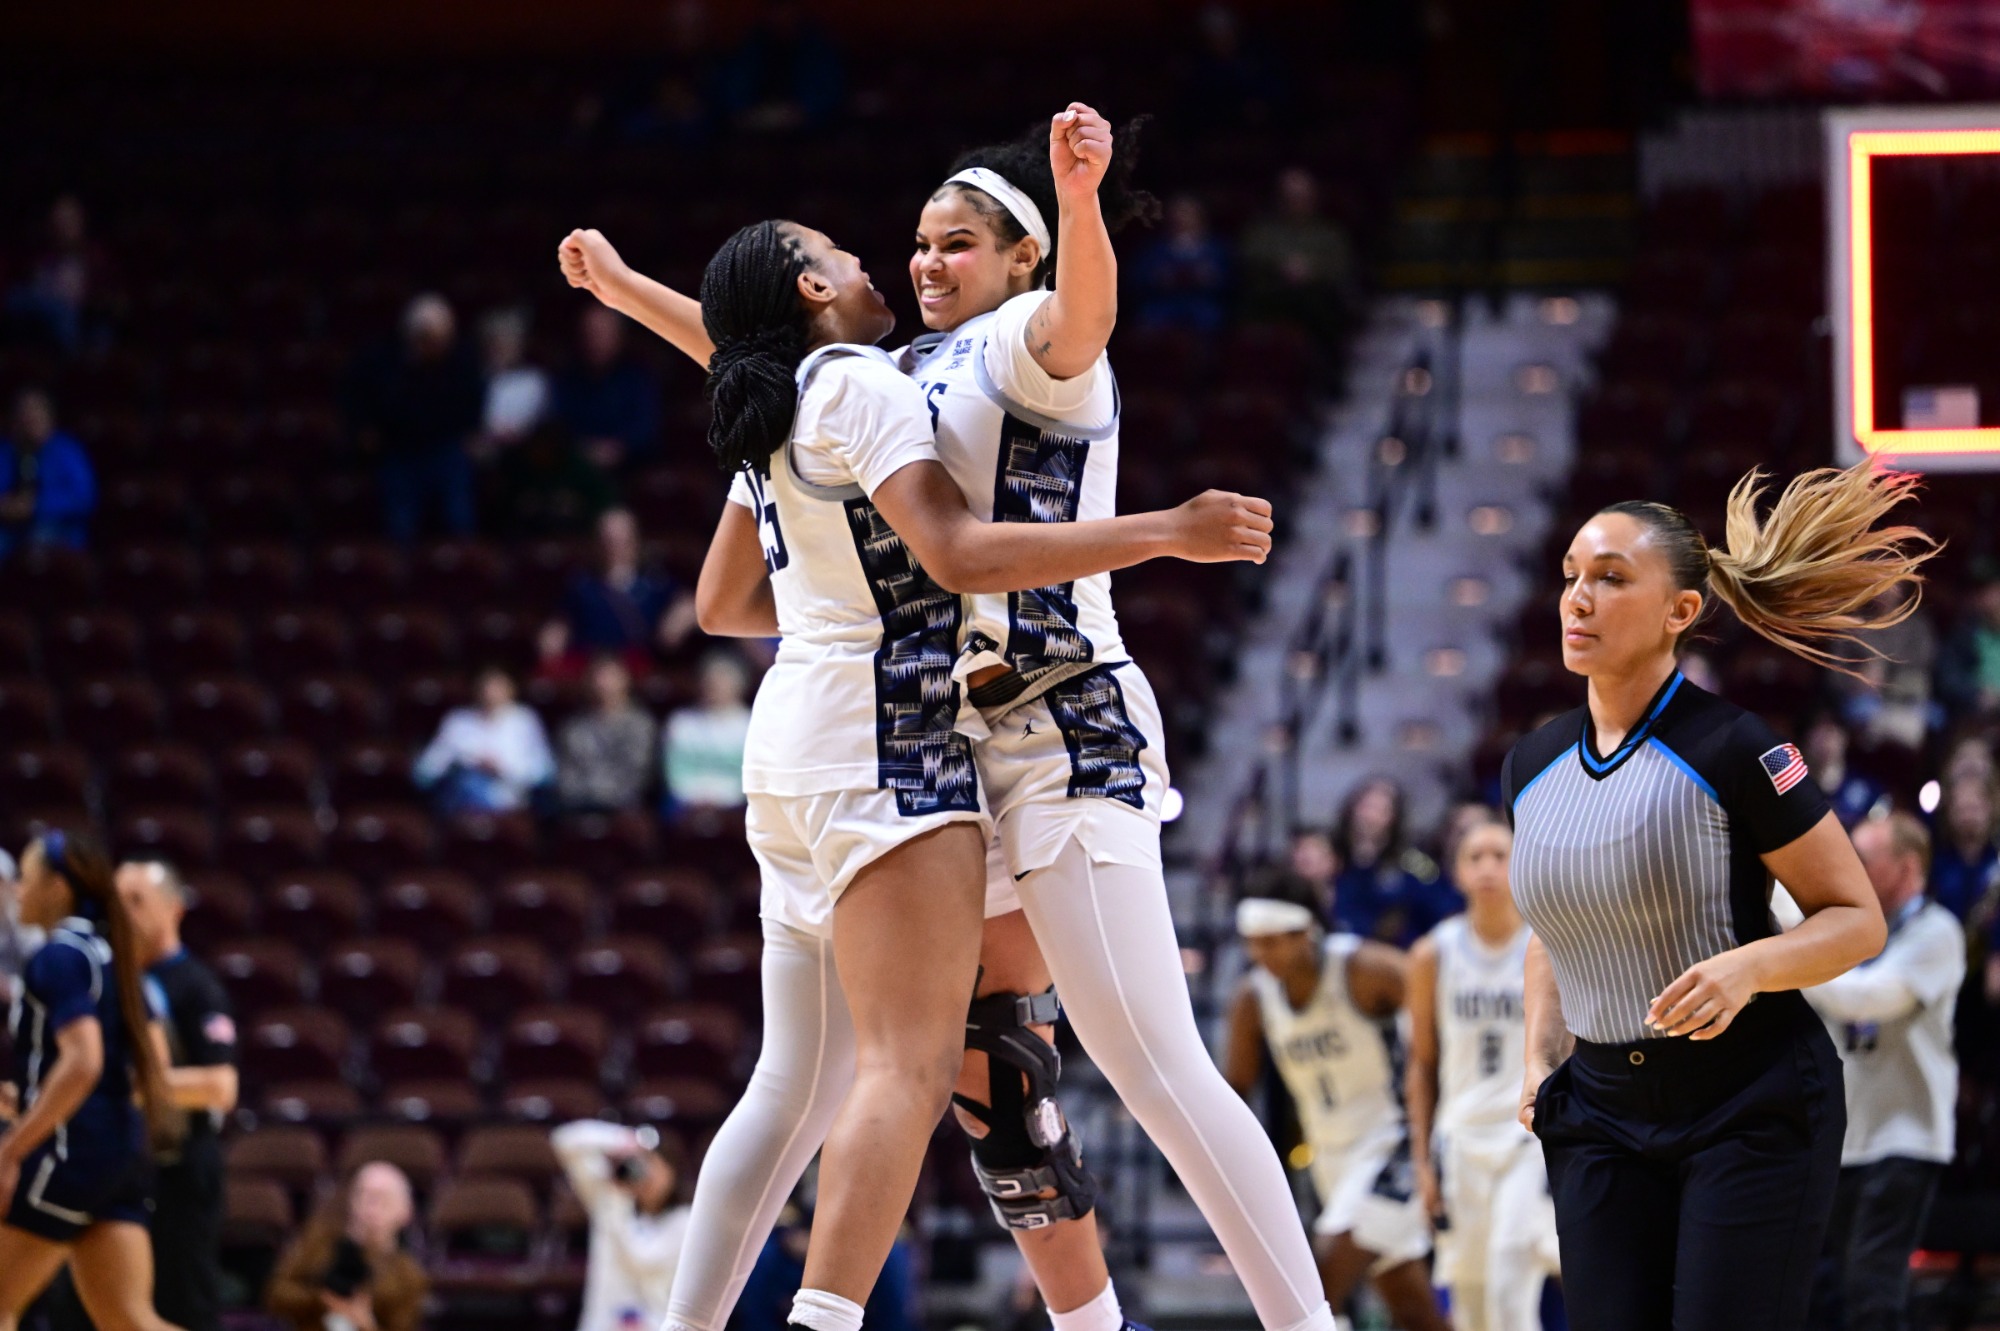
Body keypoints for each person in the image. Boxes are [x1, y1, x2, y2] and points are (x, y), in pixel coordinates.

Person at [561, 103, 1331, 1331]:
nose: (923, 261)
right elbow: (754, 348)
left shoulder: (1027, 337)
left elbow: (1085, 316)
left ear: (1017, 257)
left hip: (1061, 720)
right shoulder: (886, 366)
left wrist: (1080, 202)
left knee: (1145, 1059)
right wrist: (633, 293)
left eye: (956, 242)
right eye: (914, 241)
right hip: (948, 744)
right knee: (994, 1080)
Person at [1508, 463, 1936, 1331]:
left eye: (1611, 578)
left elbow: (1857, 919)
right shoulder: (1530, 762)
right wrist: (1536, 1058)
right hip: (1597, 1110)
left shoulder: (1737, 746)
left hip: (1748, 1104)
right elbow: (1553, 926)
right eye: (1571, 577)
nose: (1578, 599)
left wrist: (1748, 969)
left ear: (1682, 611)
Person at [1223, 871, 1450, 1331]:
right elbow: (1234, 1090)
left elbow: (1444, 1013)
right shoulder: (1254, 997)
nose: (1260, 954)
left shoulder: (1366, 968)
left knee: (1316, 1283)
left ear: (1305, 932)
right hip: (1332, 1162)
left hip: (1396, 1145)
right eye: (1252, 942)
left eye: (1272, 942)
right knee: (1412, 1311)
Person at [0, 832, 179, 1331]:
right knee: (129, 1320)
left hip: (68, 1153)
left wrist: (12, 1149)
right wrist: (28, 1095)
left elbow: (84, 1063)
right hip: (119, 1152)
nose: (17, 891)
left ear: (57, 888)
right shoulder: (108, 952)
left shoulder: (58, 956)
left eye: (28, 879)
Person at [1804, 813, 1964, 1331]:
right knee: (1829, 1294)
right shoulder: (1846, 931)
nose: (1848, 869)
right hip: (1846, 1140)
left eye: (1864, 860)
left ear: (1907, 867)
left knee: (1871, 1291)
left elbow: (1866, 1000)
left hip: (1907, 1137)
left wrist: (1787, 954)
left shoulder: (1937, 932)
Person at [1406, 817, 1560, 1331]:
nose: (1489, 867)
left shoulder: (1548, 946)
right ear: (1457, 873)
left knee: (1509, 1288)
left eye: (1500, 855)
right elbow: (1421, 1064)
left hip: (1526, 1139)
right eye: (1476, 857)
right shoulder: (1433, 953)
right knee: (1469, 1304)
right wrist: (1422, 1162)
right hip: (1459, 1138)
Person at [118, 861, 238, 1331]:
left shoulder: (196, 987)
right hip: (116, 1164)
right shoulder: (107, 983)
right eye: (117, 902)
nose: (124, 914)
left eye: (137, 901)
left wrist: (128, 1086)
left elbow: (221, 1087)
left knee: (182, 1302)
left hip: (179, 1168)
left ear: (174, 908)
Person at [343, 292, 484, 541]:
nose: (439, 348)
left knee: (459, 521)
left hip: (446, 449)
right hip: (399, 450)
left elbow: (470, 405)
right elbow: (360, 400)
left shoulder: (460, 361)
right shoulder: (382, 361)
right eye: (432, 341)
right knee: (400, 529)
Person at [552, 1120, 694, 1331]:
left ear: (673, 1168)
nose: (647, 1174)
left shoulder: (684, 1220)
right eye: (641, 1164)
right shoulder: (611, 1199)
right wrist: (625, 1140)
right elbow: (565, 1139)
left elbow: (640, 1260)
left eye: (654, 1164)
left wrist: (618, 1201)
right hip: (601, 1323)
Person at [265, 1163, 426, 1331]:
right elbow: (276, 1294)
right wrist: (322, 1299)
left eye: (383, 1199)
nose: (370, 1208)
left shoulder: (409, 1276)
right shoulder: (319, 1242)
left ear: (406, 1212)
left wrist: (365, 1324)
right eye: (364, 1196)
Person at [540, 508, 699, 677]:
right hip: (592, 671)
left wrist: (684, 614)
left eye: (621, 541)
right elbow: (560, 624)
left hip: (643, 669)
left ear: (635, 541)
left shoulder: (656, 582)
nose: (614, 548)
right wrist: (552, 639)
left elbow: (692, 605)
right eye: (608, 541)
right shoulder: (581, 584)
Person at [1331, 778, 1458, 948]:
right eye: (1366, 806)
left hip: (1401, 956)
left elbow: (1442, 908)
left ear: (1394, 817)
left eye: (1381, 810)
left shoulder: (1414, 861)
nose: (1370, 816)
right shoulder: (1333, 856)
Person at [1238, 168, 1357, 347]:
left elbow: (1339, 266)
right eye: (1290, 197)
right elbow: (1250, 255)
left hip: (1315, 298)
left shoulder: (1329, 233)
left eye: (1301, 196)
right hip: (1272, 295)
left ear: (1314, 197)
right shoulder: (1262, 230)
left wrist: (1310, 270)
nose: (1296, 202)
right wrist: (1282, 265)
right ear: (1279, 198)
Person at [412, 666, 555, 814]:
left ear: (510, 690)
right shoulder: (457, 720)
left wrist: (502, 768)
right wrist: (464, 764)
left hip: (512, 800)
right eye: (486, 687)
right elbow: (426, 770)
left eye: (497, 687)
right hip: (461, 800)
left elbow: (544, 771)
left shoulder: (525, 720)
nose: (490, 693)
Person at [553, 305, 662, 471]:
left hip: (631, 469)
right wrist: (583, 449)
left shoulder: (637, 378)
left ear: (619, 336)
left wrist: (617, 448)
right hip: (575, 465)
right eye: (589, 333)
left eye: (601, 333)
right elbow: (559, 427)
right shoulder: (567, 378)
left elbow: (646, 430)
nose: (594, 340)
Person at [0, 388, 97, 561]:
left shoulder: (67, 449)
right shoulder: (6, 451)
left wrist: (34, 506)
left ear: (49, 416)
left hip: (56, 526)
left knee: (38, 542)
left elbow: (84, 498)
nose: (29, 418)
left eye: (35, 410)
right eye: (24, 411)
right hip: (10, 527)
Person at [557, 655, 660, 812]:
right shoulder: (573, 727)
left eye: (610, 677)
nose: (603, 684)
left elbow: (639, 772)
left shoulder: (641, 724)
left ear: (625, 681)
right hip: (580, 803)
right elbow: (566, 773)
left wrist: (605, 794)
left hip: (625, 804)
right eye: (597, 678)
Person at [663, 651, 753, 813]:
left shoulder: (751, 724)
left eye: (722, 680)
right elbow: (675, 773)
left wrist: (720, 799)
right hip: (688, 803)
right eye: (710, 680)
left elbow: (750, 777)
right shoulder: (682, 722)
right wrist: (697, 798)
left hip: (736, 804)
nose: (715, 686)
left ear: (739, 684)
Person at [1130, 194, 1230, 334]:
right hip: (1164, 302)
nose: (1183, 217)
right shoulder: (1156, 248)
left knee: (1210, 318)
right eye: (1179, 212)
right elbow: (1139, 279)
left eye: (1188, 212)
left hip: (1201, 302)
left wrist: (1210, 278)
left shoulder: (1215, 248)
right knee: (1149, 318)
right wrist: (1158, 278)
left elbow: (1227, 279)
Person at [476, 307, 551, 454]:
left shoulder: (534, 381)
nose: (500, 349)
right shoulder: (480, 379)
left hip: (526, 453)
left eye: (506, 342)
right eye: (495, 343)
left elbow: (539, 426)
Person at [1928, 773, 1999, 922]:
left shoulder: (1996, 859)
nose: (1968, 817)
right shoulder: (1934, 861)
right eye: (1961, 809)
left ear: (1990, 810)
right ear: (1949, 813)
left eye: (1974, 809)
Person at [1935, 577, 2000, 725]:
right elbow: (1947, 678)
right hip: (1973, 715)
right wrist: (1976, 694)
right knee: (1971, 748)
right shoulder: (1965, 634)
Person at [1805, 714, 1885, 828]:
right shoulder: (1794, 784)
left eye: (1831, 732)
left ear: (1845, 738)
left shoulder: (1868, 790)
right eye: (1818, 733)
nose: (1824, 742)